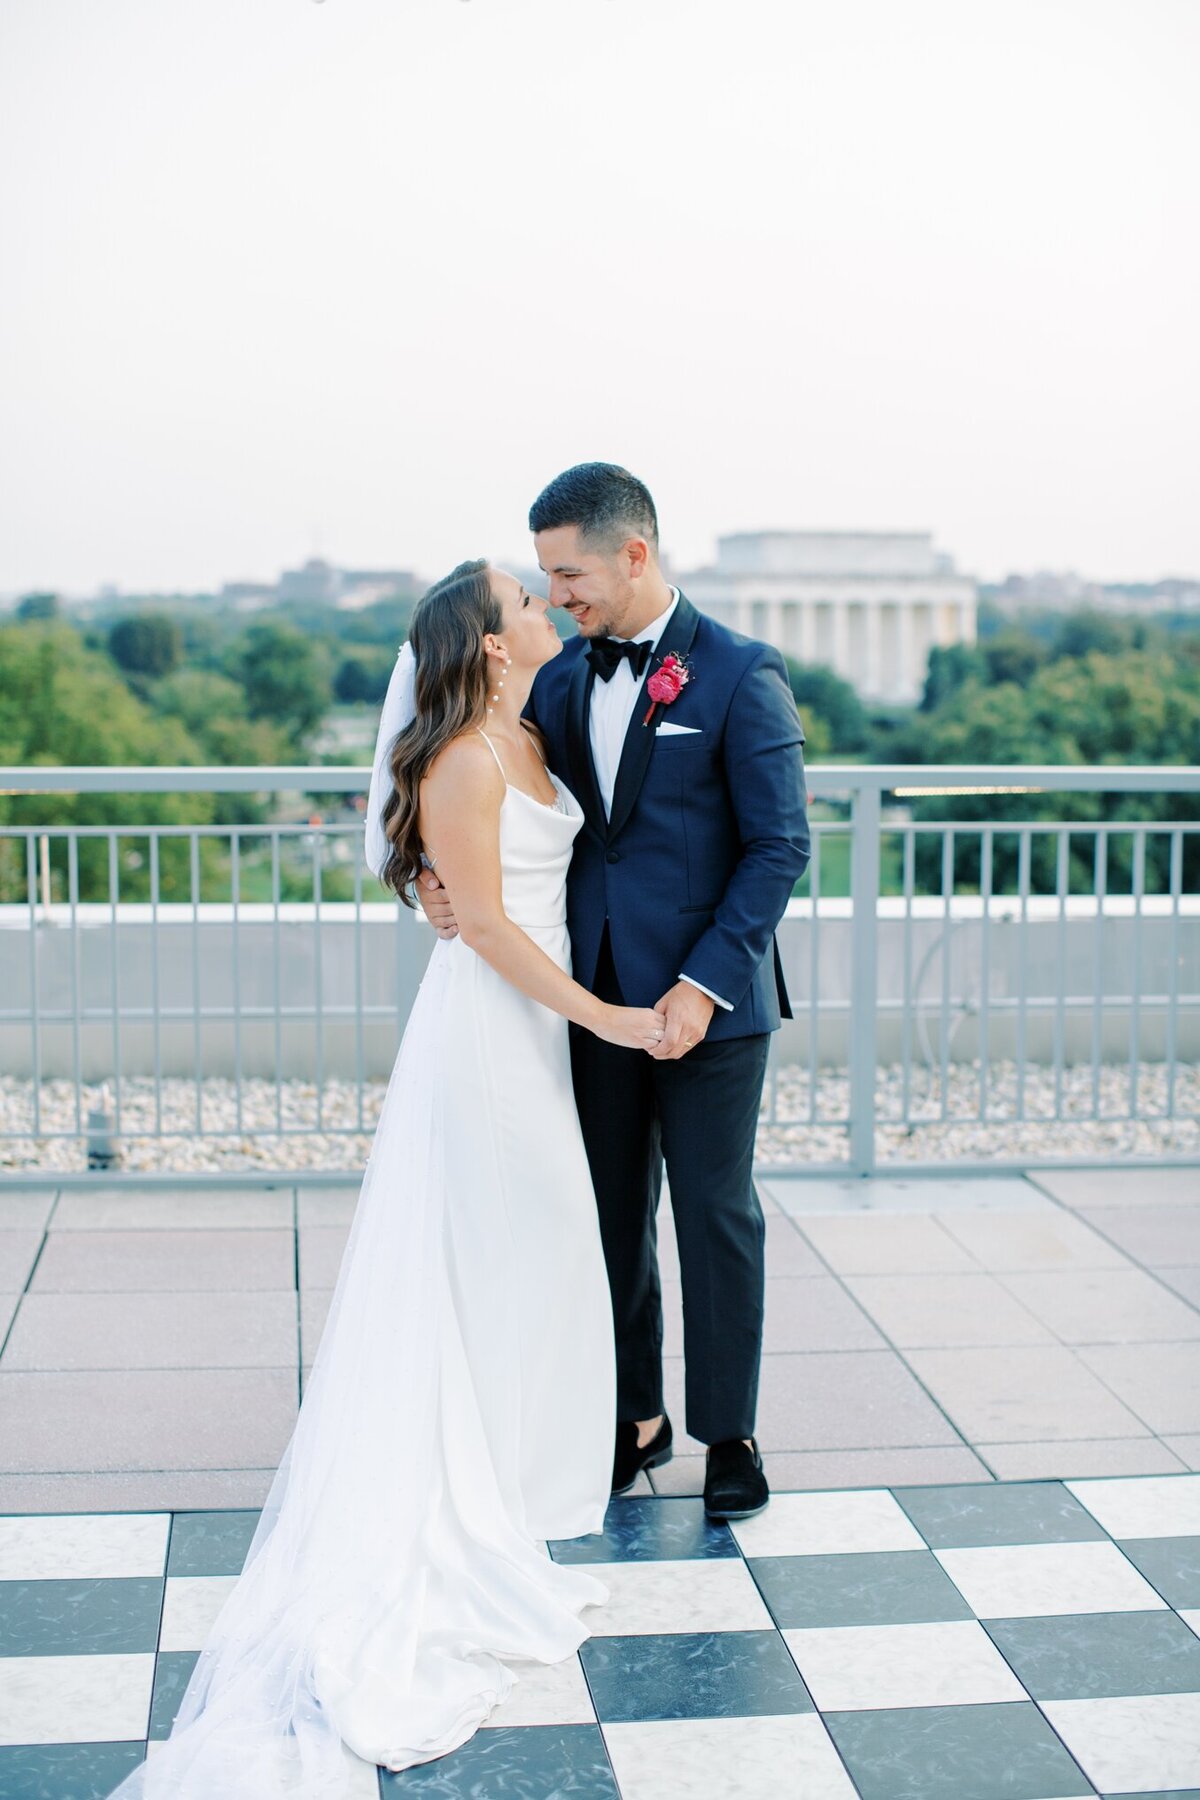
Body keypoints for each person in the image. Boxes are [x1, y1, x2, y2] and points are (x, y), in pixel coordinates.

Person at [104, 559, 665, 1799]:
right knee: (503, 1249)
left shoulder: (526, 729)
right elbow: (496, 927)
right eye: (526, 597)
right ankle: (486, 1488)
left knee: (541, 1253)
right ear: (492, 638)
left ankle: (528, 1468)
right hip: (490, 1035)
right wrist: (609, 1019)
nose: (543, 605)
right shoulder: (465, 760)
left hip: (534, 1030)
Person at [419, 465, 811, 1522]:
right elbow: (481, 782)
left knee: (716, 1214)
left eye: (570, 573)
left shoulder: (741, 673)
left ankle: (730, 1433)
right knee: (608, 1213)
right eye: (544, 579)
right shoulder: (555, 679)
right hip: (584, 999)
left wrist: (700, 988)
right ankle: (635, 1418)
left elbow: (779, 847)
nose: (558, 596)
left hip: (711, 1008)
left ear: (634, 553)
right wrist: (432, 880)